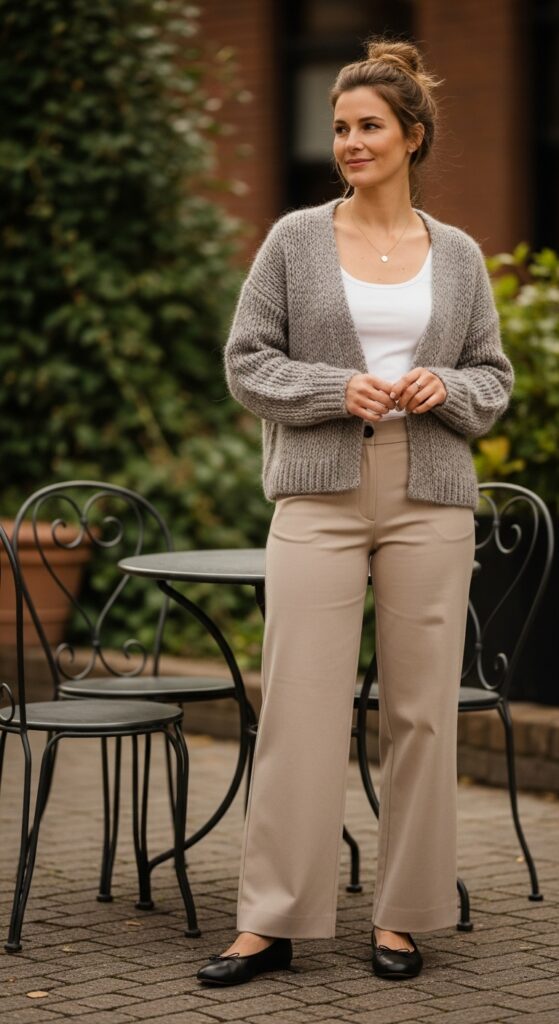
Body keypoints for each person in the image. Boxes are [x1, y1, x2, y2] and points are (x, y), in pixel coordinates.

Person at [196, 35, 514, 986]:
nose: (349, 142)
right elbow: (246, 361)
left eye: (368, 126)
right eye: (339, 128)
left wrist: (441, 389)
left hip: (429, 499)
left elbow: (491, 379)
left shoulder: (455, 255)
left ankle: (403, 917)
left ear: (411, 136)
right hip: (319, 494)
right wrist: (341, 387)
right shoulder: (294, 239)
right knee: (299, 704)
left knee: (420, 714)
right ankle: (270, 920)